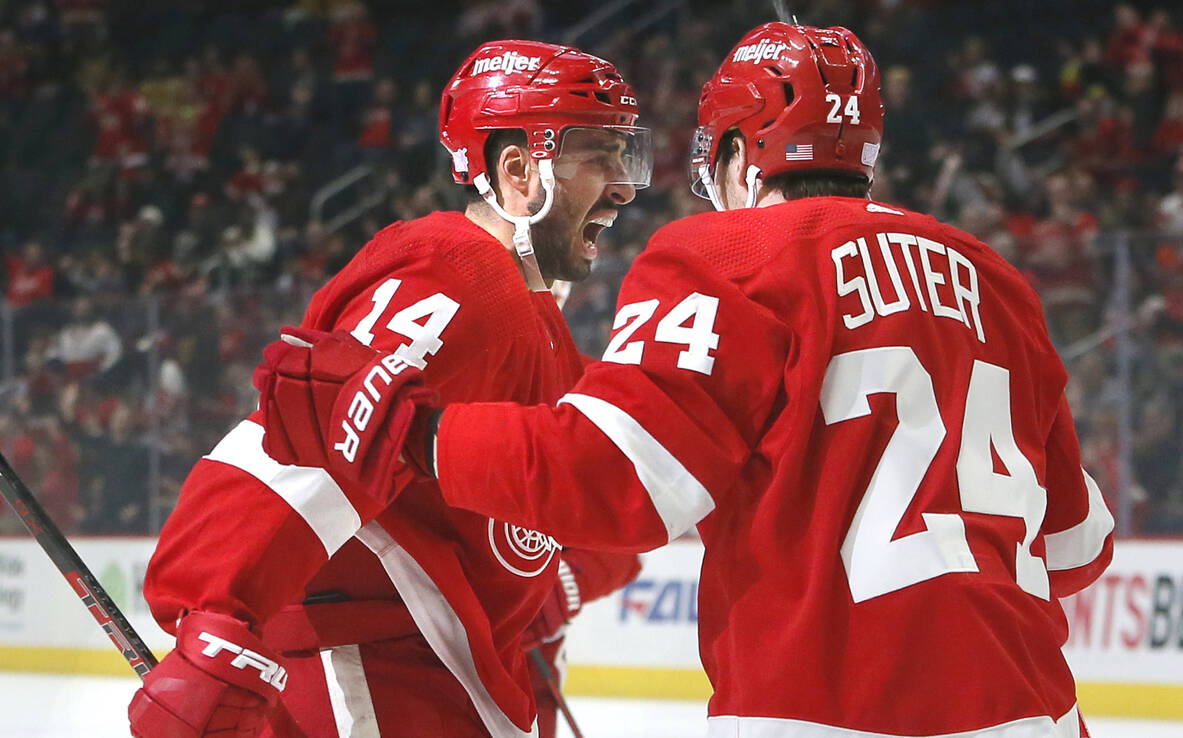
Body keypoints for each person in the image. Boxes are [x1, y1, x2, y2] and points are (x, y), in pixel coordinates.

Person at [257, 23, 1116, 738]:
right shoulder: (994, 279)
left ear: (743, 157)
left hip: (821, 714)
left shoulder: (729, 256)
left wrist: (405, 429)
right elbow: (1077, 550)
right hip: (1038, 711)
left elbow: (613, 480)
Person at [128, 39, 649, 738]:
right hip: (369, 672)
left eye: (625, 154)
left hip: (444, 678)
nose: (624, 185)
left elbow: (606, 480)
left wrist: (572, 577)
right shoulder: (459, 274)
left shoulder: (538, 322)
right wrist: (218, 613)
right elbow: (307, 437)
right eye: (599, 155)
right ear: (521, 171)